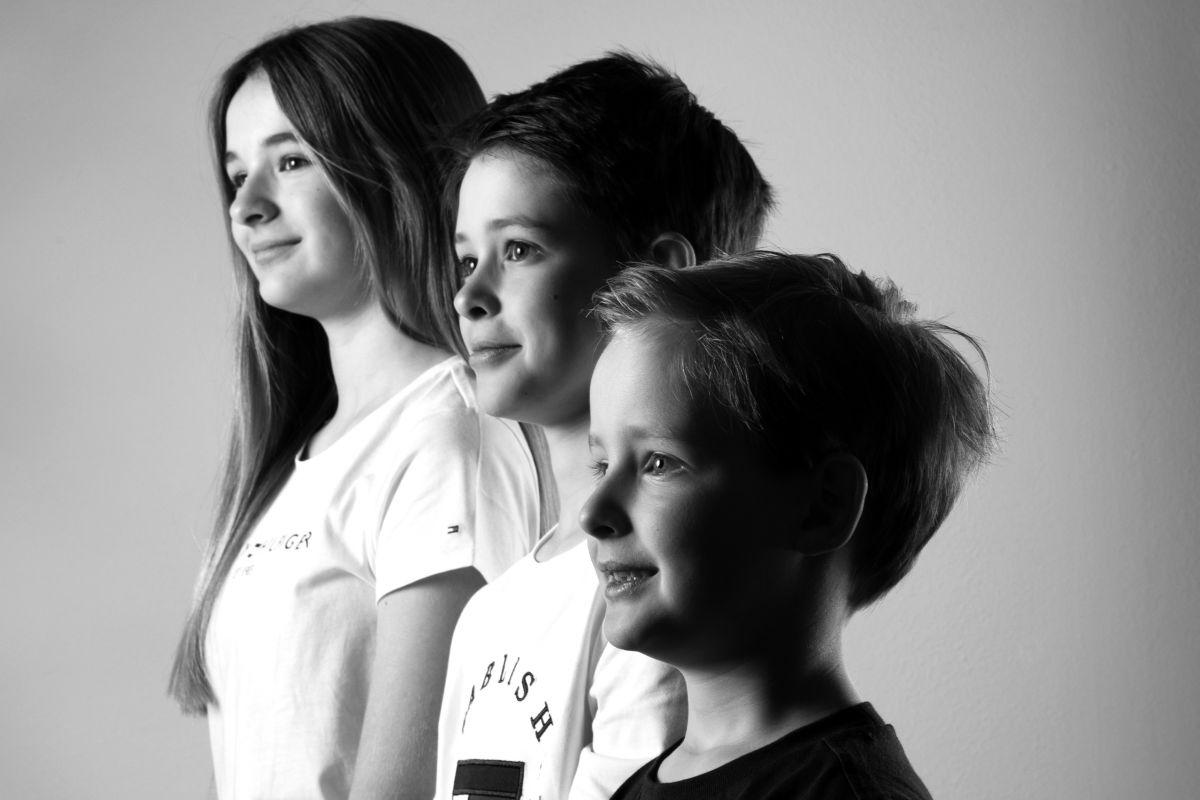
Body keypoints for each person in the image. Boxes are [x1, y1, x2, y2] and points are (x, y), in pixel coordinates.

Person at [167, 18, 541, 800]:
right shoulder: (297, 460)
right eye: (236, 175)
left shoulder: (446, 438)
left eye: (291, 160)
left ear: (395, 169)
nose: (246, 208)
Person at [435, 53, 774, 800]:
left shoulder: (659, 591)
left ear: (655, 278)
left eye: (519, 250)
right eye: (466, 260)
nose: (468, 296)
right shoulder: (488, 613)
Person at [581, 252, 997, 799]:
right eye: (600, 466)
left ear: (822, 507)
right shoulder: (639, 786)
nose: (592, 513)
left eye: (659, 463)